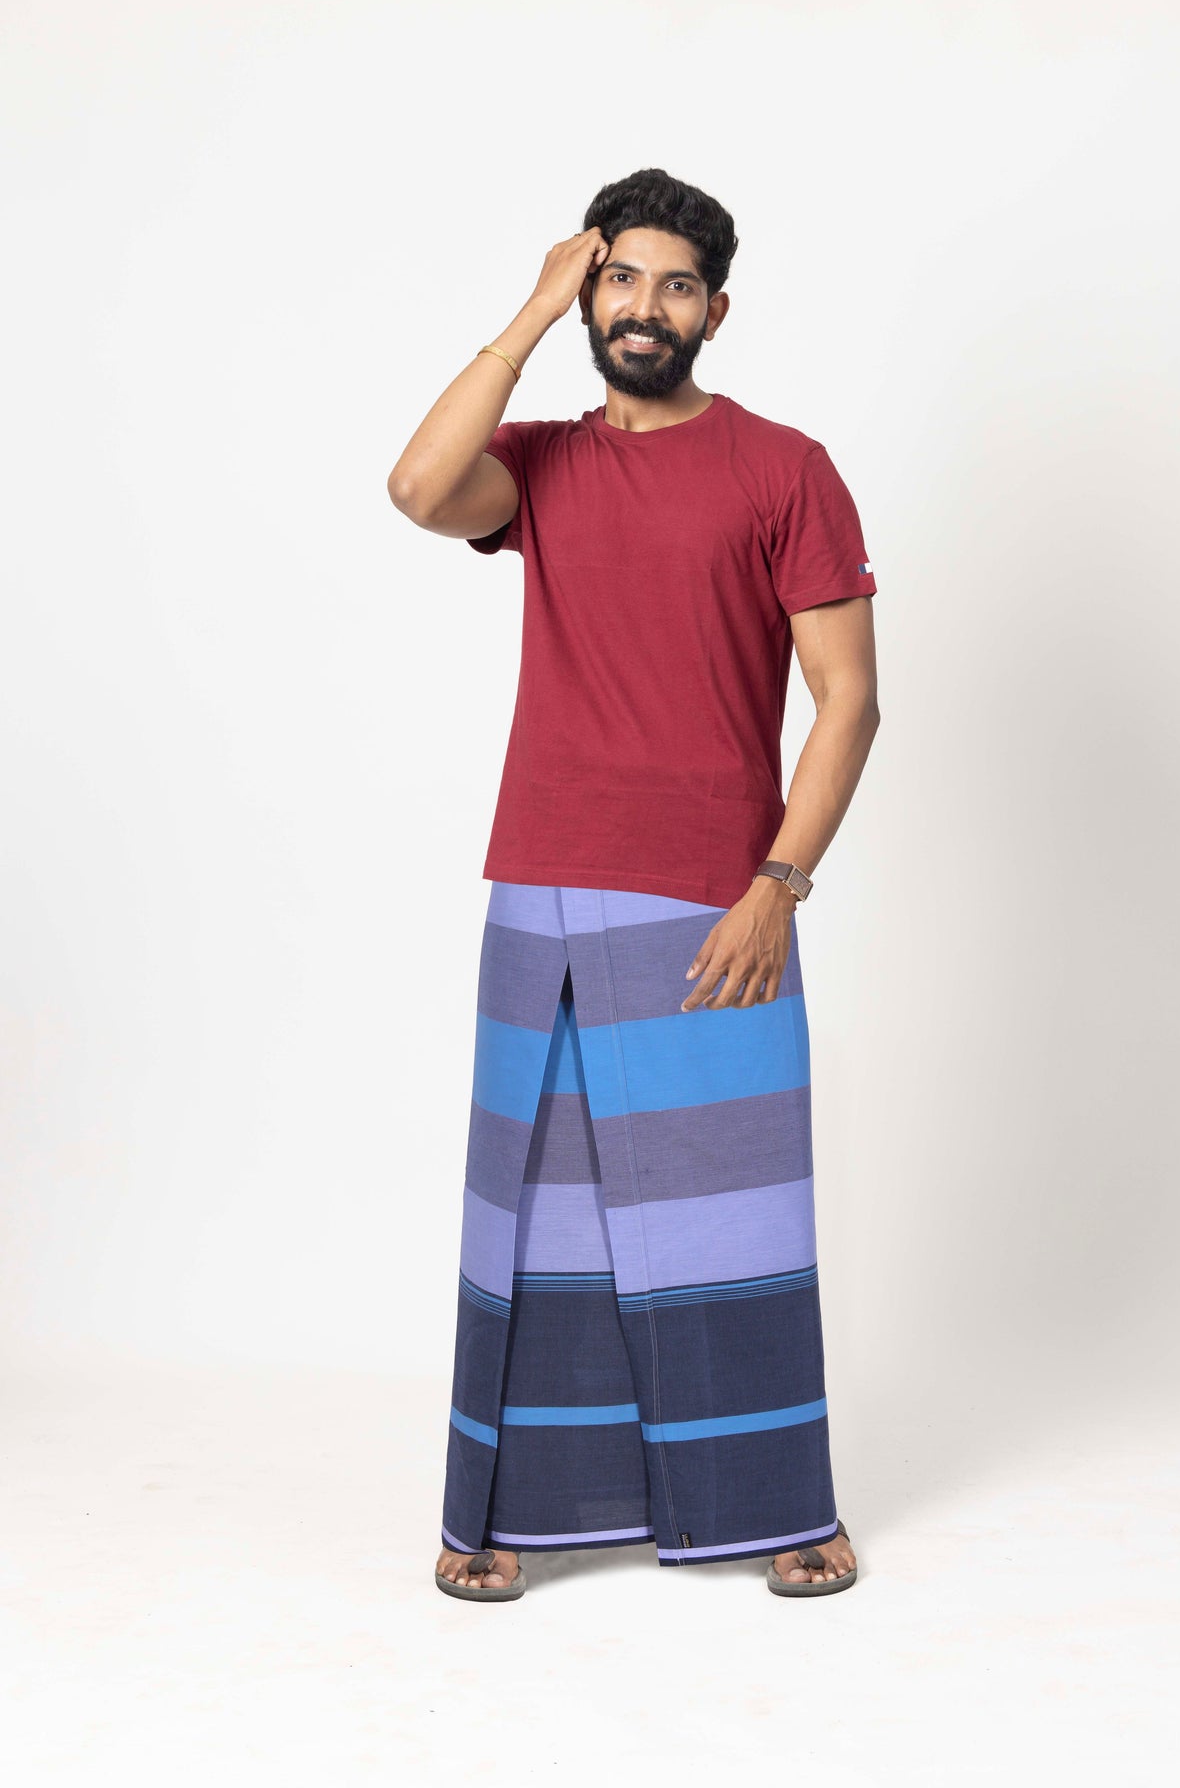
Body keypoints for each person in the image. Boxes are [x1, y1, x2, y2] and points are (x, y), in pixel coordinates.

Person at [387, 167, 879, 1600]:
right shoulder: (537, 463)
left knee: (735, 1208)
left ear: (716, 311)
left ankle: (782, 1503)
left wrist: (778, 883)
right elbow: (417, 489)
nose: (643, 307)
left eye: (675, 285)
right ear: (591, 292)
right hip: (543, 879)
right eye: (619, 279)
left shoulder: (784, 468)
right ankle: (504, 1509)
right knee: (534, 1214)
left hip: (716, 895)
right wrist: (533, 306)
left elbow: (848, 700)